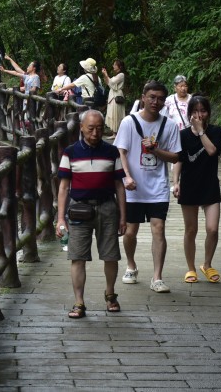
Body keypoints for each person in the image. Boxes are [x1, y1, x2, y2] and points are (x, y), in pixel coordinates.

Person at [56, 110, 127, 318]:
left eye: (99, 128)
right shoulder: (70, 152)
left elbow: (119, 186)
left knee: (111, 255)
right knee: (77, 257)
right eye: (90, 128)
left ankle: (110, 294)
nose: (95, 133)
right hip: (79, 209)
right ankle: (79, 303)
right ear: (81, 127)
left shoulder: (112, 151)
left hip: (107, 207)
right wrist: (60, 218)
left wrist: (123, 217)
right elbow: (63, 188)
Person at [114, 80, 181, 293]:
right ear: (143, 97)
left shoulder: (169, 125)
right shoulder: (128, 122)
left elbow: (175, 157)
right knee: (130, 231)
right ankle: (131, 265)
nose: (156, 102)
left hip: (158, 186)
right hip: (133, 187)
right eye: (152, 97)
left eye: (160, 98)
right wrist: (127, 177)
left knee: (158, 228)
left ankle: (157, 277)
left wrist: (155, 150)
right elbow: (121, 152)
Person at [172, 95, 221, 284]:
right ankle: (191, 268)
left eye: (203, 111)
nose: (199, 114)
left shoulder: (216, 131)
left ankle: (207, 265)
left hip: (209, 186)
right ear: (189, 114)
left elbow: (212, 151)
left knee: (212, 229)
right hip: (190, 186)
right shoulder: (183, 135)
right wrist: (175, 182)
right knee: (191, 230)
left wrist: (201, 132)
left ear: (208, 113)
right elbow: (179, 159)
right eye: (195, 111)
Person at [102, 59, 127, 133]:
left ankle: (117, 133)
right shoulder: (117, 75)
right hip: (112, 95)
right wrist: (105, 75)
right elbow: (108, 82)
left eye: (115, 64)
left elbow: (112, 81)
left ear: (119, 66)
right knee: (112, 114)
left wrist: (106, 74)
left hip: (117, 96)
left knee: (116, 114)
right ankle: (114, 133)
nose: (113, 66)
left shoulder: (121, 75)